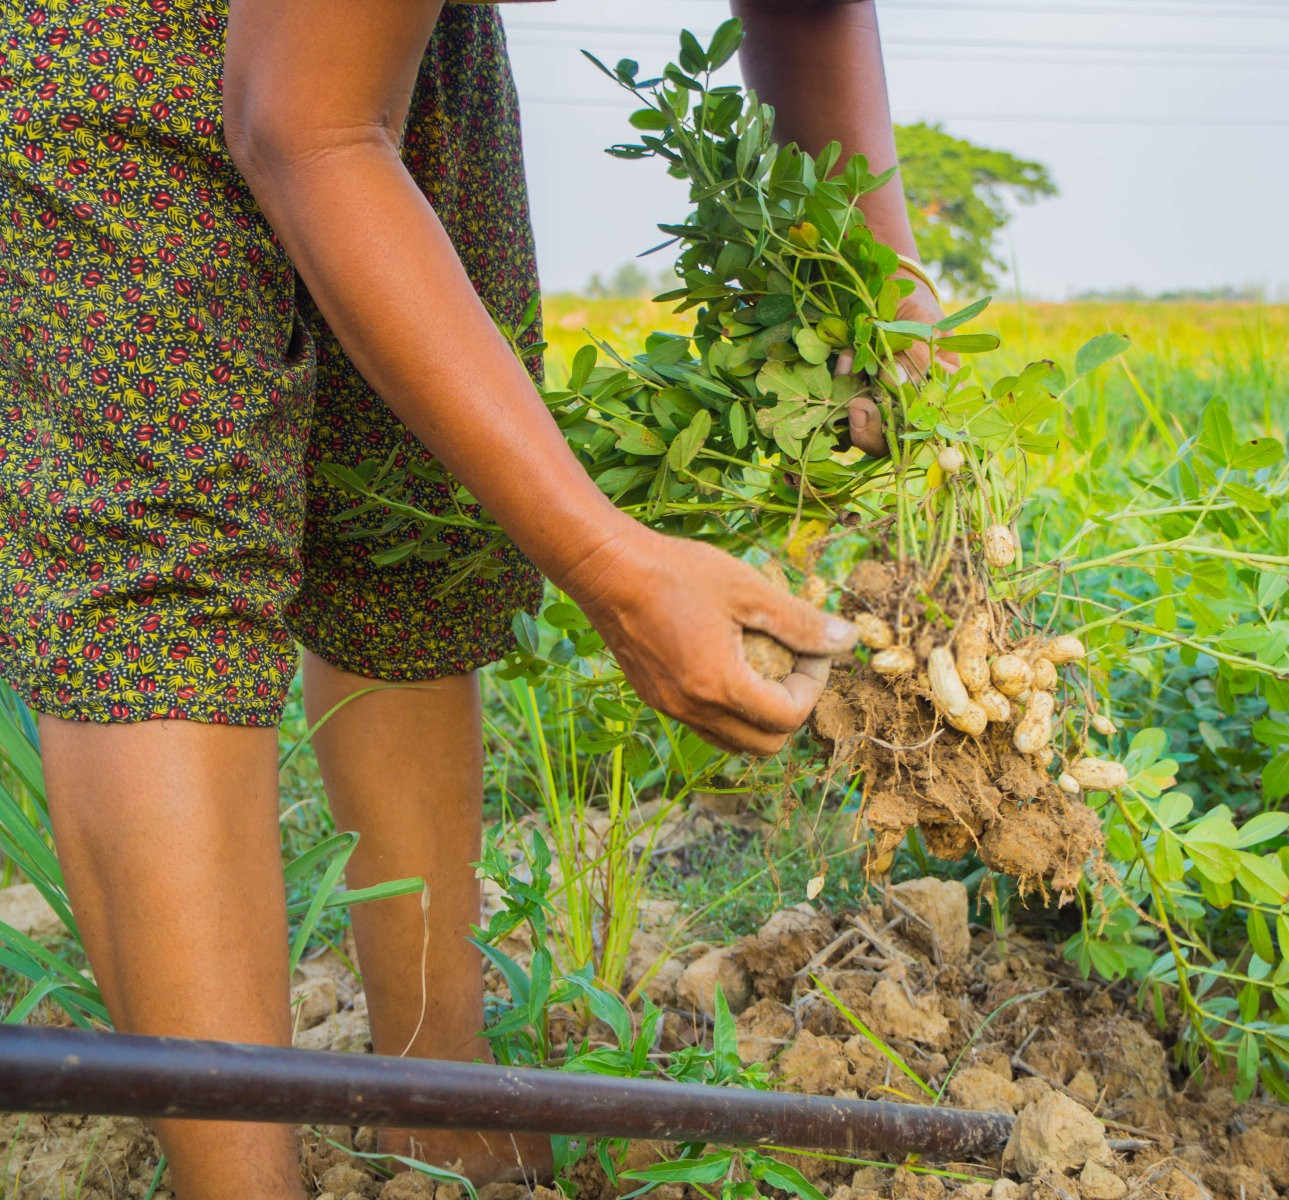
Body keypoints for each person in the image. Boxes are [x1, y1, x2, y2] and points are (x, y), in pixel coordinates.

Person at [0, 0, 945, 1195]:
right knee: (162, 584)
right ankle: (239, 1181)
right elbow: (303, 123)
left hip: (400, 31)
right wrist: (609, 564)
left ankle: (431, 1095)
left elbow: (811, 11)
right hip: (119, 32)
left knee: (419, 524)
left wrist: (872, 274)